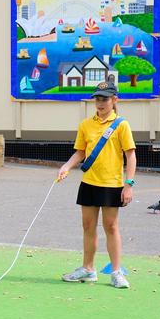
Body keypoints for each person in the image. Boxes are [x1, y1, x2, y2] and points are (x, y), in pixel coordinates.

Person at [57, 81, 136, 289]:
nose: (100, 103)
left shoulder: (121, 125)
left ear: (114, 100)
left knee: (111, 226)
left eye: (105, 99)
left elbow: (131, 155)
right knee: (87, 226)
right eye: (97, 99)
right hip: (89, 183)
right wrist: (66, 166)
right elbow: (81, 151)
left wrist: (129, 184)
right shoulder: (85, 125)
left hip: (112, 184)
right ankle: (88, 269)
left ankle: (116, 272)